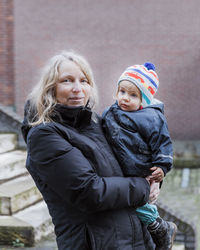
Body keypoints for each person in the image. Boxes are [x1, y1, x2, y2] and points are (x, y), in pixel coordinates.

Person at [21, 51, 159, 250]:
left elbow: (133, 160)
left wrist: (155, 177)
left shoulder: (96, 123)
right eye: (67, 81)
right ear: (50, 88)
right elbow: (89, 192)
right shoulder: (44, 136)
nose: (78, 88)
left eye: (84, 80)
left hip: (134, 239)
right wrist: (143, 188)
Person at [102, 62, 177, 250]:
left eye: (133, 95)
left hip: (141, 169)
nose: (125, 98)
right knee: (132, 202)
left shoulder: (152, 118)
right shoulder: (110, 112)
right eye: (122, 92)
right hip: (120, 168)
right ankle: (157, 229)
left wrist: (162, 167)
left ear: (144, 100)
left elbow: (163, 144)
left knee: (139, 202)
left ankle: (160, 228)